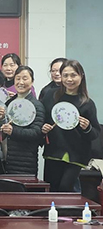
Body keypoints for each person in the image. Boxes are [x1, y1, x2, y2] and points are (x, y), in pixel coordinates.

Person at [42, 60, 100, 192]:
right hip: (54, 152)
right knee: (52, 189)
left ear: (81, 76)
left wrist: (87, 127)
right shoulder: (51, 96)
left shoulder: (87, 103)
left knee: (65, 189)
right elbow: (42, 119)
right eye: (65, 75)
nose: (69, 79)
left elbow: (95, 133)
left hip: (76, 155)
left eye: (73, 75)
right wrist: (44, 128)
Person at [1, 66, 45, 174]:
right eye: (18, 78)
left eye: (25, 78)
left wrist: (13, 131)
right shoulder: (9, 103)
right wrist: (1, 120)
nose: (21, 82)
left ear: (32, 81)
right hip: (8, 158)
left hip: (25, 160)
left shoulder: (36, 105)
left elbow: (36, 133)